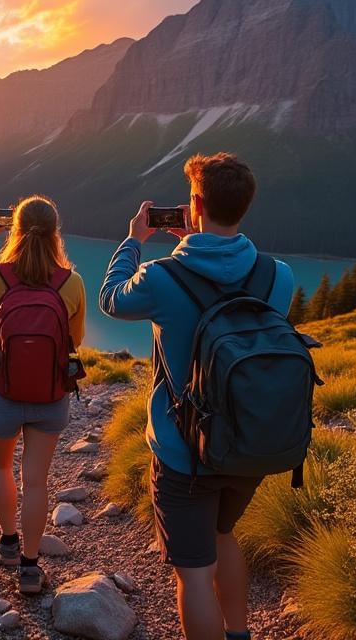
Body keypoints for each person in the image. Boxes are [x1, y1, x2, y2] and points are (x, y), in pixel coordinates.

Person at [99, 153, 295, 640]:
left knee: (193, 575)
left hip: (184, 452)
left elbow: (111, 297)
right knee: (223, 536)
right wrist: (199, 243)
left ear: (195, 203)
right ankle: (240, 634)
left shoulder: (163, 278)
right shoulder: (280, 276)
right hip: (251, 443)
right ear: (244, 206)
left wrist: (134, 239)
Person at [0, 194, 86, 595]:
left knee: (0, 468)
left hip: (3, 393)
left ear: (14, 230)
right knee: (36, 481)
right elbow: (75, 340)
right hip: (51, 397)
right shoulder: (71, 282)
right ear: (55, 234)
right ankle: (30, 569)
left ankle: (8, 543)